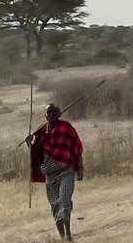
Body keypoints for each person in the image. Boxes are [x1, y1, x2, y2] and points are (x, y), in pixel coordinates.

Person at [25, 103, 84, 241]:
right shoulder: (41, 133)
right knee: (55, 206)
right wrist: (30, 142)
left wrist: (80, 168)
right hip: (50, 177)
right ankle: (62, 236)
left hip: (66, 172)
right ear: (45, 116)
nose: (50, 114)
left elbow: (77, 148)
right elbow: (34, 153)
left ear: (58, 113)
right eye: (48, 112)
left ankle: (68, 234)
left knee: (64, 201)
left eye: (53, 111)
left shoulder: (66, 128)